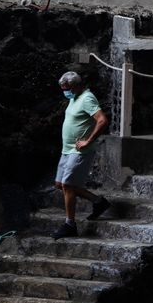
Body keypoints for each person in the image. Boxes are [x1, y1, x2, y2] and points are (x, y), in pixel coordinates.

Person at [51, 70, 110, 239]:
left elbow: (102, 120)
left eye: (66, 88)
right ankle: (98, 202)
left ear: (76, 85)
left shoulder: (87, 98)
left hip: (79, 151)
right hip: (67, 149)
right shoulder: (74, 98)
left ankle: (70, 224)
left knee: (68, 185)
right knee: (59, 184)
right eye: (62, 88)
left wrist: (88, 141)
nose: (64, 91)